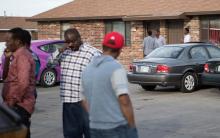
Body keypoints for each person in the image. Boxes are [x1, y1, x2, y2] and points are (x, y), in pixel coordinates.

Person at [81, 32, 138, 138]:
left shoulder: (87, 69)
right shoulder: (116, 68)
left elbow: (83, 101)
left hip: (94, 127)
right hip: (116, 127)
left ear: (103, 46)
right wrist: (132, 127)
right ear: (119, 50)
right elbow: (124, 101)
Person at [59, 28, 101, 138]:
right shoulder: (64, 52)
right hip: (69, 102)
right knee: (71, 135)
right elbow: (49, 65)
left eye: (73, 41)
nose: (71, 45)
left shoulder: (92, 52)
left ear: (79, 38)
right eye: (68, 42)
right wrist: (58, 52)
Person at [1, 27, 36, 138]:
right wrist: (7, 59)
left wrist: (13, 101)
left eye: (8, 41)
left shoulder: (22, 57)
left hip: (19, 105)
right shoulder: (16, 55)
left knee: (18, 134)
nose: (6, 44)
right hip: (13, 104)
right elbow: (5, 76)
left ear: (18, 42)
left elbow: (23, 83)